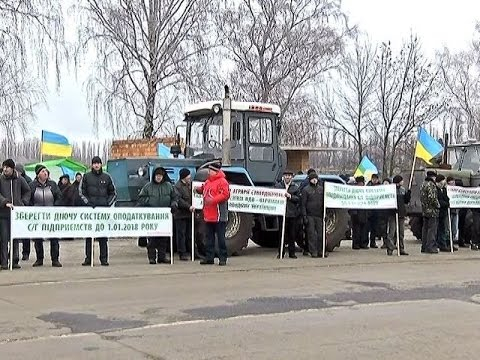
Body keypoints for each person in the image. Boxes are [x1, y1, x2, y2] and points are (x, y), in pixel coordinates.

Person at [79, 156, 116, 266]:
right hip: (90, 212)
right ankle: (88, 258)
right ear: (92, 165)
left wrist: (107, 204)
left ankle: (104, 259)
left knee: (103, 237)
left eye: (98, 163)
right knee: (89, 236)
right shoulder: (86, 177)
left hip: (103, 212)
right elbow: (81, 192)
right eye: (94, 163)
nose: (96, 165)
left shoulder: (107, 177)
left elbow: (113, 193)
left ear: (101, 164)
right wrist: (88, 203)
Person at [138, 167, 177, 264]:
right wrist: (149, 201)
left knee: (163, 239)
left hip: (165, 216)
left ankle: (162, 257)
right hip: (152, 216)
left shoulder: (169, 186)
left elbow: (175, 197)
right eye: (157, 175)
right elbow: (141, 198)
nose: (159, 177)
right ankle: (152, 258)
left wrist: (174, 204)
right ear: (154, 176)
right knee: (152, 238)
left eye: (160, 176)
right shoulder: (148, 187)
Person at [195, 163, 230, 265]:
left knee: (221, 239)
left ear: (216, 171)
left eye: (210, 170)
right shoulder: (208, 181)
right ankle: (209, 257)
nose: (209, 172)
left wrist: (213, 200)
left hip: (219, 215)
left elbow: (225, 194)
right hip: (209, 215)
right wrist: (199, 190)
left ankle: (222, 258)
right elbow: (204, 189)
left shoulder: (223, 181)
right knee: (209, 238)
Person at [29, 165, 63, 267]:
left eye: (46, 171)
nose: (45, 173)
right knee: (38, 238)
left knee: (54, 238)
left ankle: (55, 259)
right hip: (37, 216)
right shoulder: (32, 185)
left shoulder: (52, 184)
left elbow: (59, 197)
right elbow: (28, 199)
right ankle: (39, 259)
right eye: (43, 171)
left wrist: (55, 206)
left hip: (51, 215)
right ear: (38, 174)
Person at [0, 159, 31, 270]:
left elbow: (27, 191)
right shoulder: (1, 179)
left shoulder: (19, 179)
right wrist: (4, 202)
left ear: (12, 168)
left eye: (7, 167)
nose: (5, 169)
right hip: (3, 214)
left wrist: (23, 202)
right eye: (4, 167)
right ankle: (3, 262)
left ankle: (14, 260)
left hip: (16, 215)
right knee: (4, 239)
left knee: (15, 238)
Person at [301, 171, 328, 258]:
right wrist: (304, 216)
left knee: (321, 234)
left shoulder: (321, 189)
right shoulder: (306, 190)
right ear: (309, 180)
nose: (314, 180)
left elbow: (325, 202)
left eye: (315, 179)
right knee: (311, 234)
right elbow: (303, 204)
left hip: (319, 215)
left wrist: (325, 213)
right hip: (310, 215)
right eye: (312, 179)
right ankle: (313, 251)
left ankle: (321, 251)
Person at [275, 169, 300, 258]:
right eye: (286, 175)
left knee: (291, 234)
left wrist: (290, 196)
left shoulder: (295, 187)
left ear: (292, 177)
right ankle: (281, 253)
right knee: (281, 234)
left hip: (292, 214)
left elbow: (298, 199)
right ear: (283, 176)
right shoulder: (278, 186)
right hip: (282, 213)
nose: (287, 177)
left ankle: (292, 253)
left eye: (289, 176)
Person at [385, 175, 411, 256]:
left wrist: (408, 194)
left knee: (401, 233)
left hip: (401, 213)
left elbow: (406, 201)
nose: (403, 182)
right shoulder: (391, 189)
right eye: (401, 181)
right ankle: (390, 248)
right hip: (392, 214)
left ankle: (401, 248)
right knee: (392, 232)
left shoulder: (403, 190)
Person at [174, 168, 195, 261]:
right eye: (188, 175)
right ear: (184, 177)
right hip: (181, 214)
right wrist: (188, 206)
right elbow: (179, 200)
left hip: (189, 214)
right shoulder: (177, 186)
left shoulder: (190, 185)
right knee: (181, 234)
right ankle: (182, 253)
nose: (190, 177)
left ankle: (191, 251)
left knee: (189, 234)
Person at [15, 163, 33, 261]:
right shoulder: (13, 179)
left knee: (25, 232)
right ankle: (14, 253)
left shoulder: (27, 180)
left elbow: (29, 192)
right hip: (15, 209)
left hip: (25, 208)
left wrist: (24, 202)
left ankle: (26, 252)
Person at [420, 170, 439, 254]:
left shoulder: (423, 184)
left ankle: (424, 246)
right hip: (432, 211)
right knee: (432, 230)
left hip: (424, 210)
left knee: (425, 229)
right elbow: (432, 198)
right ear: (433, 177)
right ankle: (430, 247)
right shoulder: (431, 185)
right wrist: (438, 205)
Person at [349, 176, 369, 250]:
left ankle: (363, 243)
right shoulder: (353, 191)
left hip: (364, 212)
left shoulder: (366, 190)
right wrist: (353, 212)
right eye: (359, 183)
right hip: (356, 212)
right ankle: (356, 244)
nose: (361, 184)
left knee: (364, 229)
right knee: (356, 229)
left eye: (362, 183)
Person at [366, 174, 380, 248]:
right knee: (367, 228)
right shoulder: (368, 187)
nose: (374, 180)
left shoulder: (380, 187)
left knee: (374, 228)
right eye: (373, 179)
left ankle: (373, 242)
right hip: (369, 210)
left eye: (376, 179)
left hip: (376, 211)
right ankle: (366, 242)